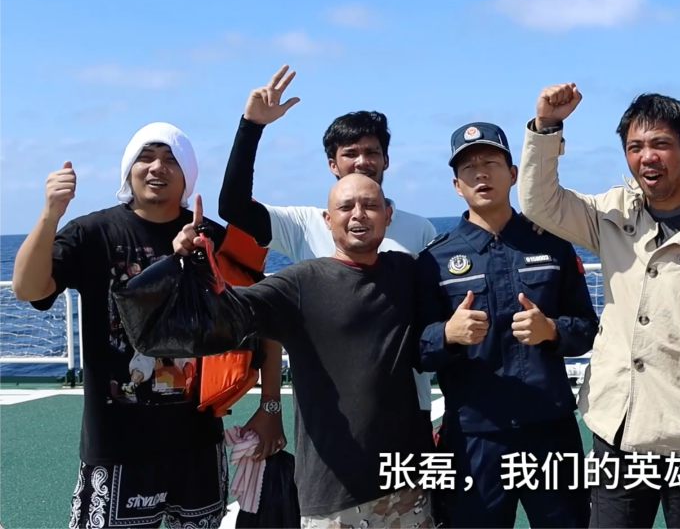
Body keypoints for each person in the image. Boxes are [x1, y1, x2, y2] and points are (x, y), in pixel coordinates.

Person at [517, 83, 680, 528]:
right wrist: (547, 127)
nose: (646, 157)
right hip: (619, 430)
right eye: (635, 147)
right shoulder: (611, 214)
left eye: (660, 144)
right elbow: (540, 202)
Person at [170, 175, 435, 528]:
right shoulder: (300, 284)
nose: (359, 214)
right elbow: (225, 313)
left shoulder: (408, 272)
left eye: (370, 205)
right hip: (333, 495)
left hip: (407, 486)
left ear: (387, 216)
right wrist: (194, 265)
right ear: (327, 219)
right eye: (346, 206)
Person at [12, 123, 232, 528]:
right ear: (128, 169)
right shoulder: (93, 233)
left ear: (187, 174)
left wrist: (268, 406)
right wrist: (50, 214)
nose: (157, 167)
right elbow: (28, 289)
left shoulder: (211, 236)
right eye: (145, 157)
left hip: (198, 441)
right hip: (117, 446)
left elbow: (252, 317)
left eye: (170, 160)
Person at [216, 65, 438, 424]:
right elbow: (234, 208)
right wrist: (251, 126)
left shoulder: (420, 230)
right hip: (329, 414)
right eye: (350, 152)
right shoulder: (305, 224)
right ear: (332, 164)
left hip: (408, 409)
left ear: (386, 159)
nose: (362, 161)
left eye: (372, 151)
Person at [415, 122, 599, 528]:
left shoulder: (551, 244)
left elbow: (588, 328)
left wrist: (552, 330)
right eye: (469, 168)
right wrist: (447, 335)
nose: (481, 174)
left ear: (513, 174)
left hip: (549, 430)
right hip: (474, 436)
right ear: (456, 185)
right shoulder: (434, 260)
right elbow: (415, 348)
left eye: (491, 163)